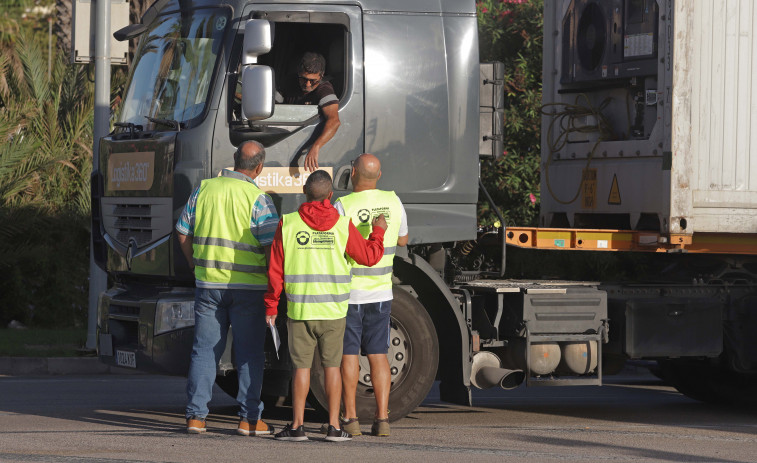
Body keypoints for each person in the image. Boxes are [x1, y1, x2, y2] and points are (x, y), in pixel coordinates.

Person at [264, 170, 387, 442]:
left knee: (301, 370)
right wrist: (378, 231)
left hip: (300, 311)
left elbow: (275, 270)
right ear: (331, 196)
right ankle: (333, 426)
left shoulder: (288, 223)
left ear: (305, 194)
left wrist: (272, 305)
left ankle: (297, 427)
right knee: (332, 368)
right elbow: (369, 257)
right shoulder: (343, 225)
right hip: (333, 312)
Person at [175, 140, 279, 437]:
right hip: (248, 289)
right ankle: (249, 420)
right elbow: (271, 245)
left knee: (204, 351)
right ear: (258, 167)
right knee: (248, 354)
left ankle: (196, 418)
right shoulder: (258, 199)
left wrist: (195, 264)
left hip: (208, 285)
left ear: (235, 160)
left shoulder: (204, 189)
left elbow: (182, 231)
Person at [333, 153, 408, 437]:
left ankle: (351, 418)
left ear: (353, 173)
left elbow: (336, 243)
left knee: (348, 355)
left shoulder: (343, 205)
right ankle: (382, 419)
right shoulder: (393, 201)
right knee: (379, 355)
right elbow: (402, 239)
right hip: (380, 294)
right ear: (379, 174)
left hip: (349, 295)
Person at [282, 52, 340, 172]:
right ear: (298, 73)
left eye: (313, 81)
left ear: (321, 76)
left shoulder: (324, 89)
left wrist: (316, 146)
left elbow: (334, 121)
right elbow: (271, 106)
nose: (307, 84)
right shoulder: (288, 82)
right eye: (303, 79)